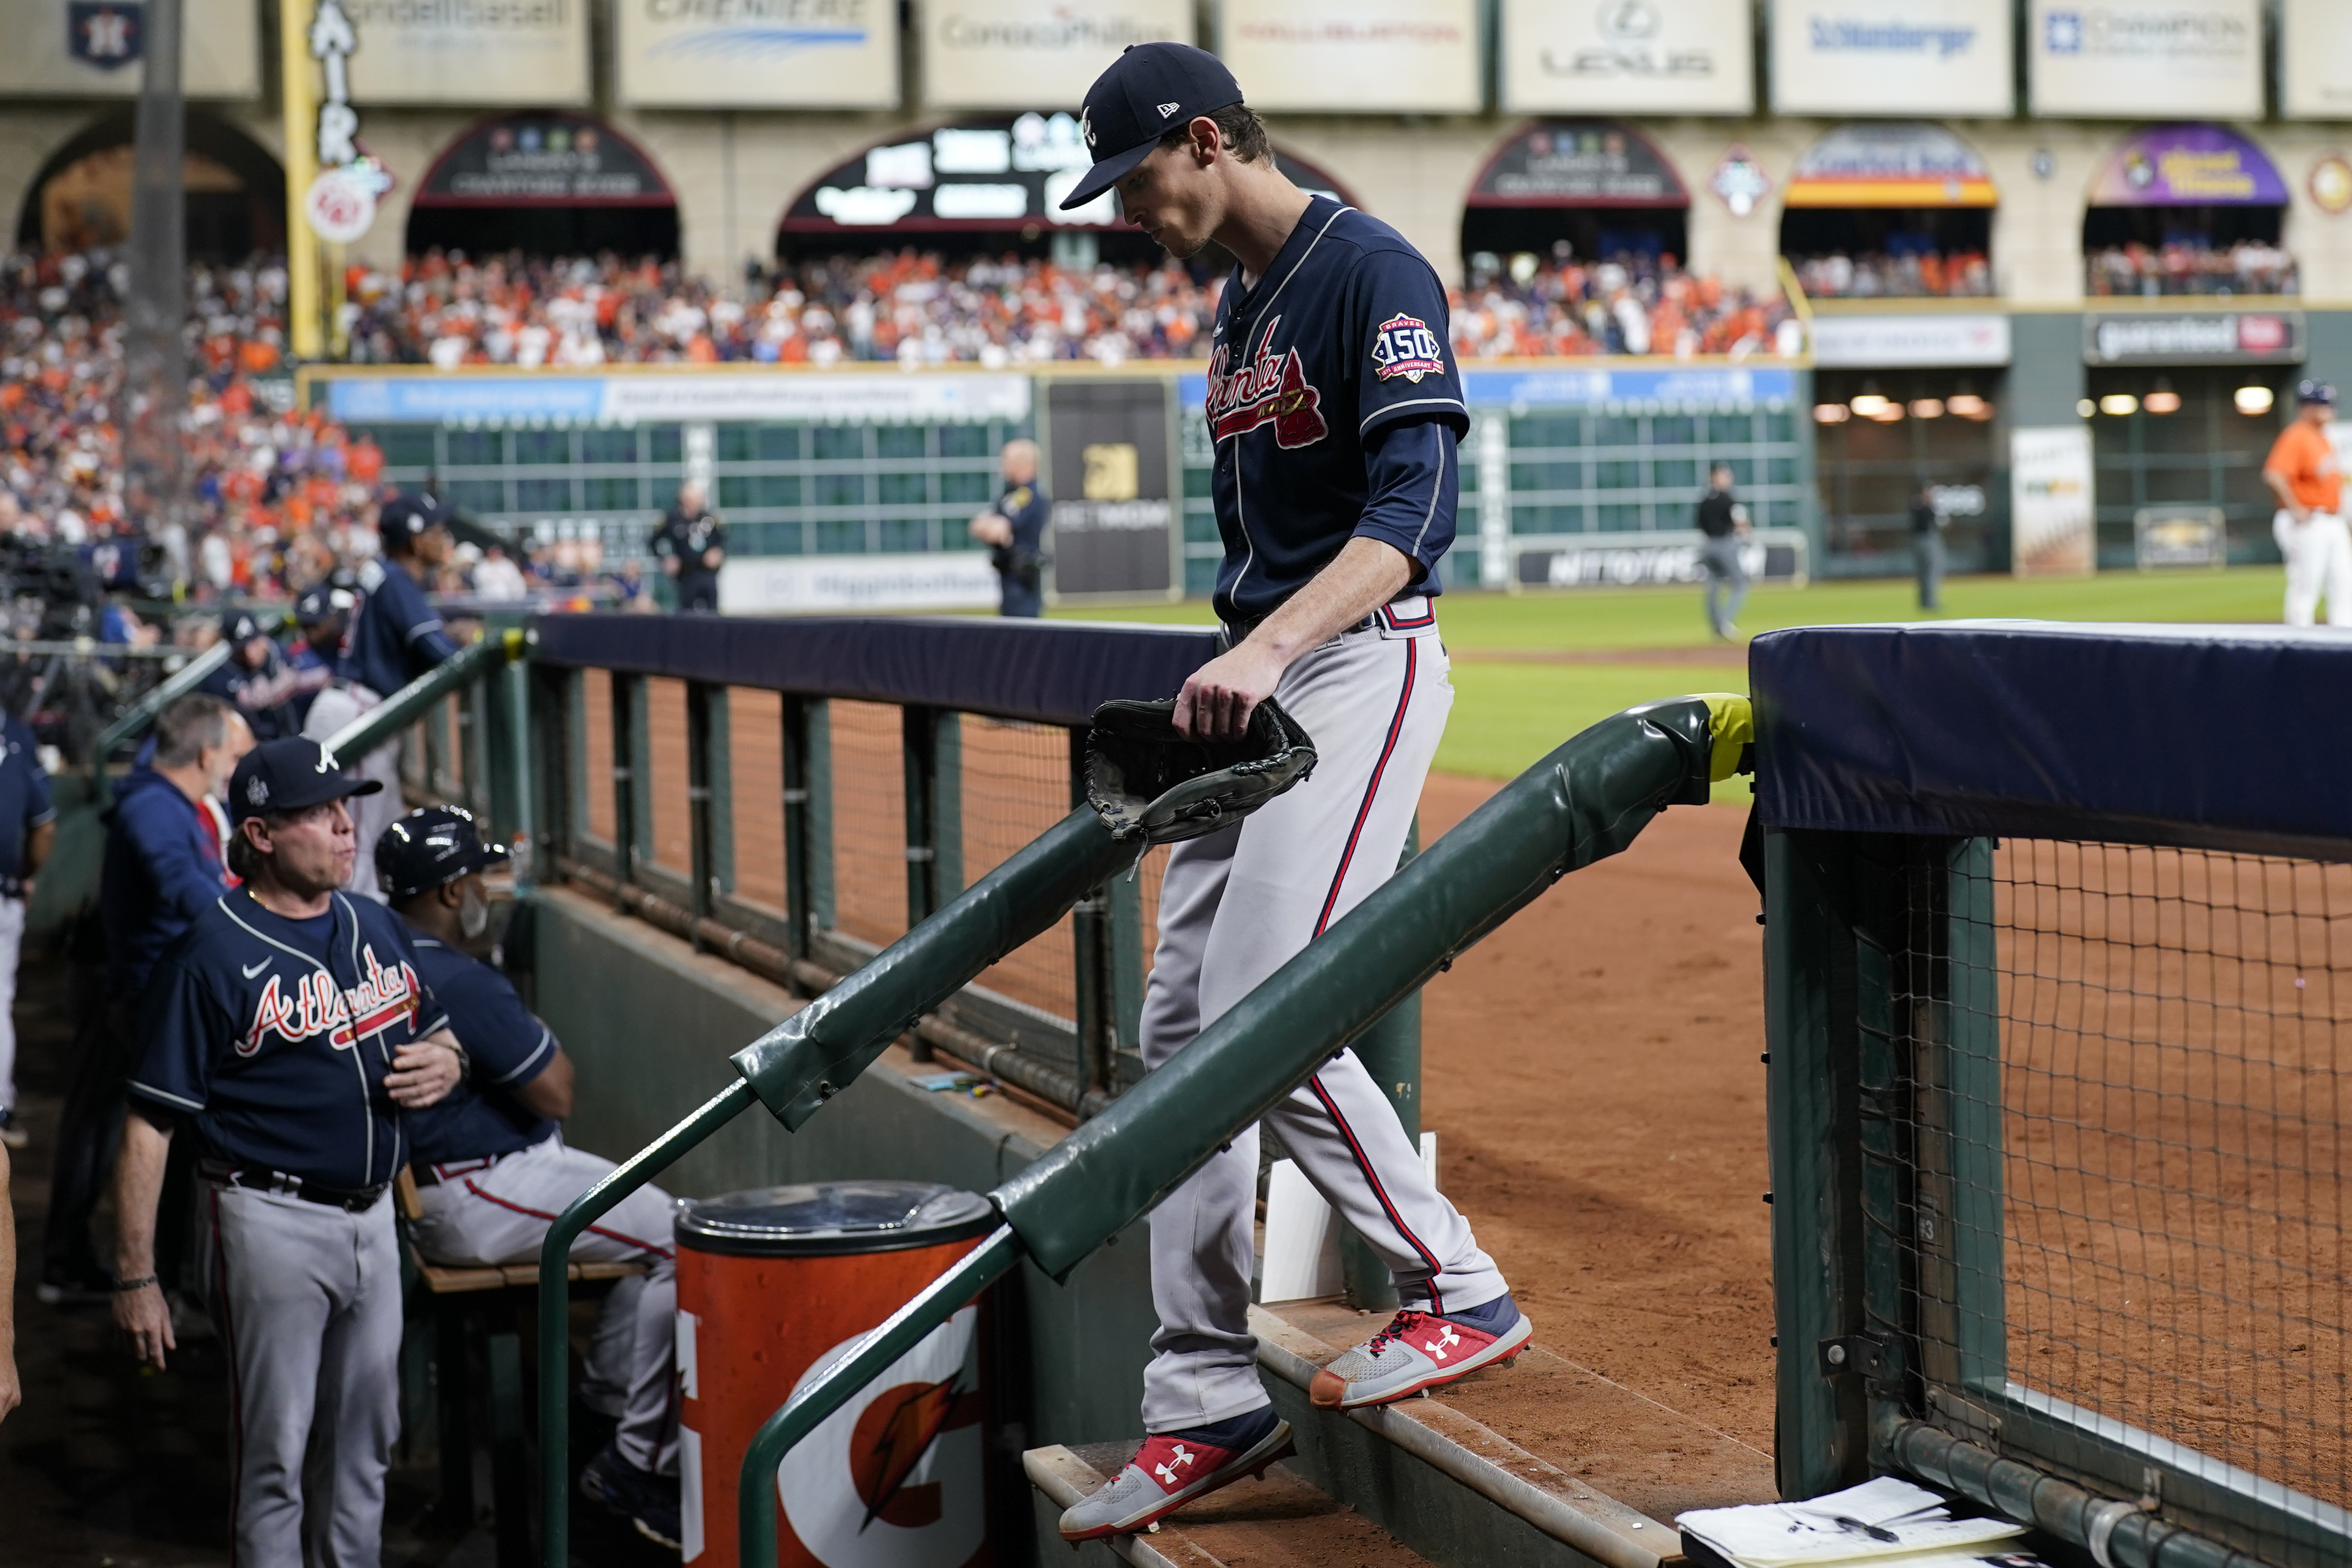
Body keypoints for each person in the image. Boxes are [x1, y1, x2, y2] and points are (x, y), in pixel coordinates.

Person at [1048, 44, 1528, 1545]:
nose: (1128, 211)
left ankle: (1454, 1284)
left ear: (1203, 139)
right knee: (1179, 1034)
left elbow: (1416, 512)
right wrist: (1237, 655)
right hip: (1251, 688)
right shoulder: (1232, 309)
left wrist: (1264, 646)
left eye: (1136, 179)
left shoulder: (1366, 268)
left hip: (1354, 668)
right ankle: (1199, 1390)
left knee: (1259, 1006)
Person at [111, 737, 463, 1566]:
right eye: (320, 812)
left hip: (376, 1219)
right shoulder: (211, 951)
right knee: (275, 1457)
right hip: (268, 1219)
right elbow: (149, 1125)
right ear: (263, 834)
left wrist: (448, 1062)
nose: (347, 827)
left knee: (365, 1450)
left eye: (346, 808)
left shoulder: (375, 923)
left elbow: (440, 1033)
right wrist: (136, 1276)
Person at [376, 807, 684, 1549]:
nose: (493, 887)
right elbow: (557, 1091)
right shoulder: (460, 976)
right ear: (451, 893)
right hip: (474, 1188)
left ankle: (604, 1416)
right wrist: (482, 1045)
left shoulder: (374, 942)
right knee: (685, 1240)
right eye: (481, 874)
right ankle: (632, 1459)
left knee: (660, 1225)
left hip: (470, 1175)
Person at [42, 695, 252, 1300]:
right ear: (207, 753)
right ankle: (90, 1270)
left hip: (139, 989)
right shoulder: (155, 808)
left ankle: (100, 1267)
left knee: (119, 1129)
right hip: (132, 993)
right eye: (232, 756)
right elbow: (184, 887)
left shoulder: (164, 799)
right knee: (109, 1131)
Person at [334, 492, 463, 900]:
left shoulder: (384, 574)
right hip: (360, 714)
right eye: (435, 531)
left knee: (385, 837)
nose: (444, 538)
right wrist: (465, 645)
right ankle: (351, 952)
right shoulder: (395, 579)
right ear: (414, 540)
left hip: (358, 708)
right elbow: (439, 653)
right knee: (355, 846)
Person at [0, 708, 56, 1151]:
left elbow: (45, 825)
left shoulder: (17, 736)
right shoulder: (14, 735)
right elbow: (44, 825)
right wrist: (26, 876)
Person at [2263, 380, 2347, 627]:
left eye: (2330, 404)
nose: (2330, 409)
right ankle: (2298, 647)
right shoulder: (2297, 435)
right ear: (2307, 407)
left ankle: (2345, 648)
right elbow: (2274, 474)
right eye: (2323, 404)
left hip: (2332, 521)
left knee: (2344, 586)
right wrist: (2297, 508)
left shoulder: (2323, 438)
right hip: (2308, 521)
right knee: (2306, 587)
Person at [967, 440, 1049, 616]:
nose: (1002, 465)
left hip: (1022, 583)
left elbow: (996, 530)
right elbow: (977, 526)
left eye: (1006, 460)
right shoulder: (1009, 495)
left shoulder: (1027, 496)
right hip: (1008, 580)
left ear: (1023, 464)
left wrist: (991, 526)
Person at [199, 608, 300, 740]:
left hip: (298, 731)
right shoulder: (221, 677)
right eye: (242, 649)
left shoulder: (281, 653)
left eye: (254, 643)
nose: (250, 654)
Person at [1695, 462, 1750, 640]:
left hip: (1707, 545)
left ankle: (1716, 627)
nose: (1729, 479)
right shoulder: (1728, 499)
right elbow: (1740, 522)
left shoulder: (1704, 500)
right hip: (1724, 544)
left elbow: (1698, 524)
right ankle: (1724, 622)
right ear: (1716, 477)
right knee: (1740, 584)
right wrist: (1747, 536)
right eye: (1726, 476)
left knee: (1713, 586)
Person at [651, 481, 725, 612]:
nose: (698, 502)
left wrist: (718, 554)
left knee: (713, 613)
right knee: (686, 615)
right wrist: (666, 559)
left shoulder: (709, 518)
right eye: (693, 499)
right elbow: (654, 541)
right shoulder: (672, 519)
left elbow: (722, 541)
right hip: (686, 575)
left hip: (707, 573)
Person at [1910, 486, 1944, 612]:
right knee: (1929, 572)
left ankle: (1927, 602)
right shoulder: (1921, 507)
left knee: (1927, 573)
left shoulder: (1927, 508)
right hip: (1925, 541)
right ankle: (1928, 602)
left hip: (1925, 540)